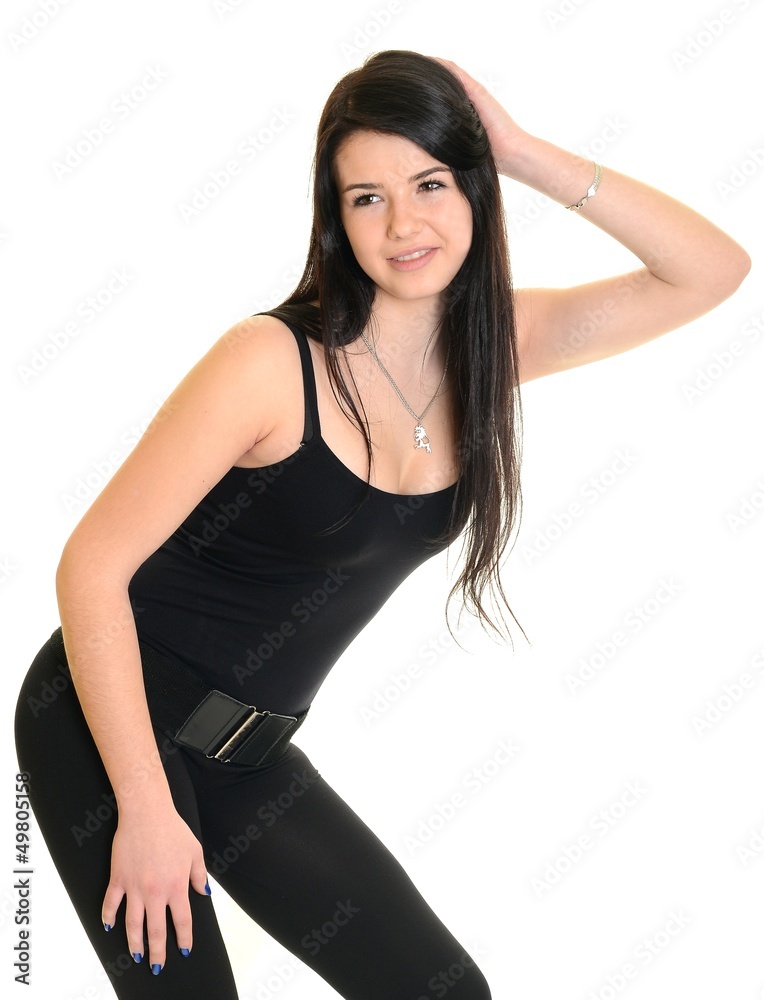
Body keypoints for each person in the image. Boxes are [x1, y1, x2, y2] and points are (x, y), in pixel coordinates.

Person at [14, 49, 750, 1000]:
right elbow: (90, 567)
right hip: (103, 720)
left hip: (247, 755)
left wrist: (521, 150)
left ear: (474, 187)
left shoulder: (493, 347)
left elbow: (711, 272)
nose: (404, 224)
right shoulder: (268, 361)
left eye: (431, 183)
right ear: (336, 219)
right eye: (367, 198)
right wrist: (146, 808)